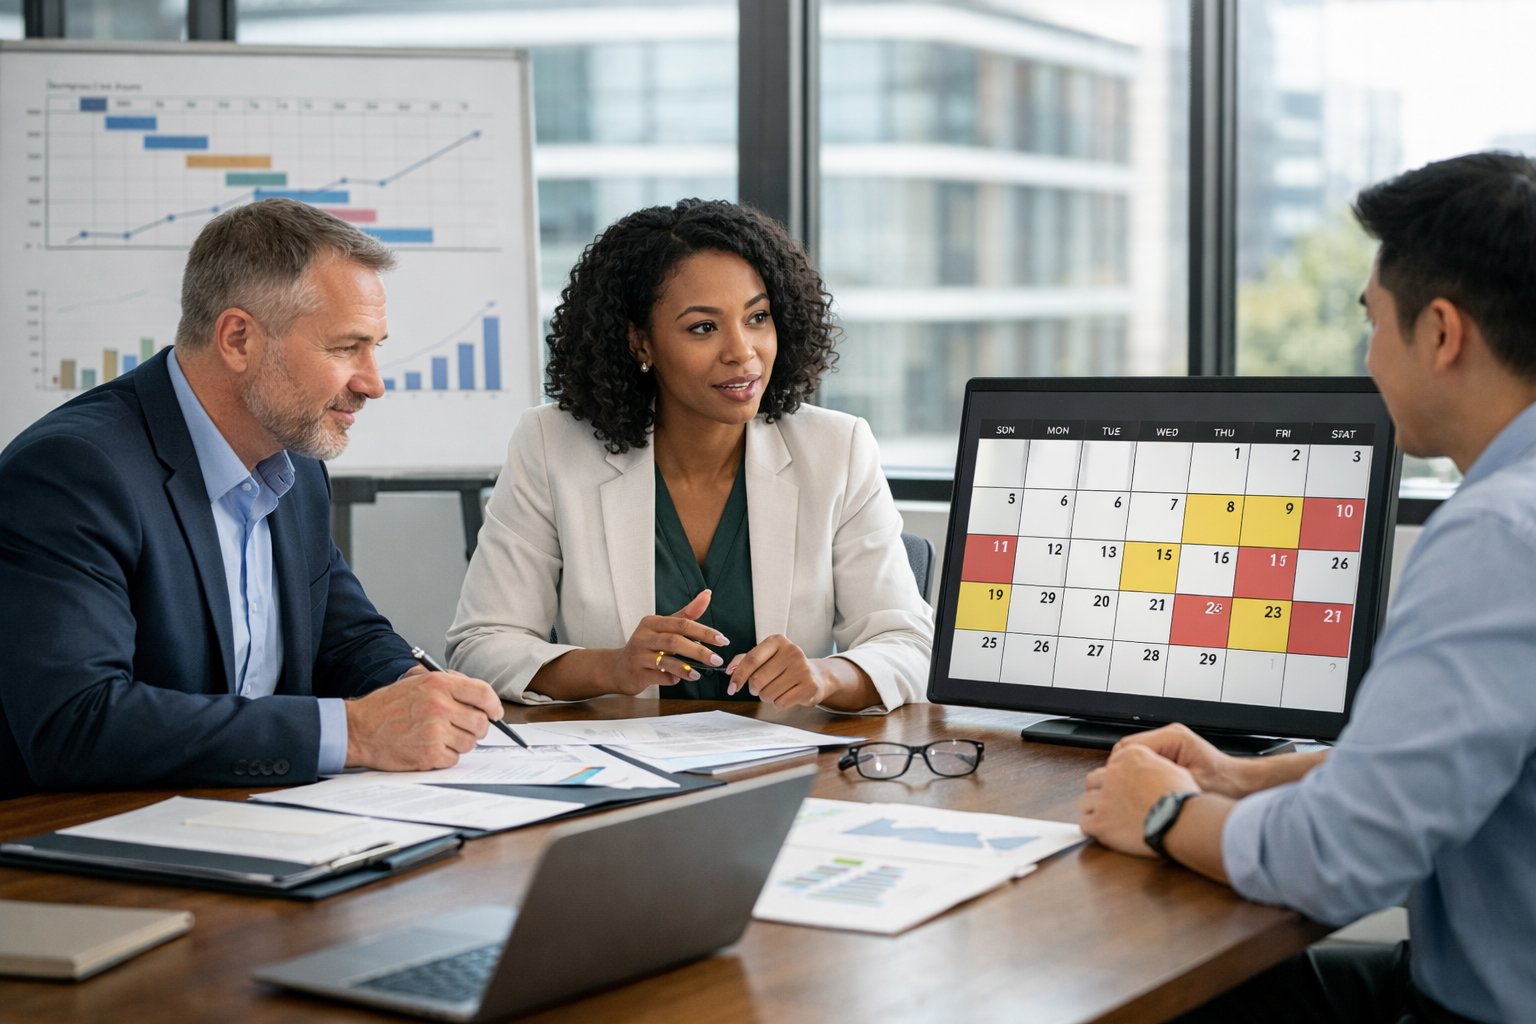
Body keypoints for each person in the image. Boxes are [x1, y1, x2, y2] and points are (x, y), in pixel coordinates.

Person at [1080, 151, 1536, 1024]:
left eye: (1374, 322)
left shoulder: (1498, 536)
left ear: (1442, 333)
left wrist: (1165, 813)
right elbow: (1447, 759)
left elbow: (1339, 859)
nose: (1369, 356)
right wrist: (1241, 779)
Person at [0, 198, 506, 799]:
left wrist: (415, 689)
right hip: (96, 833)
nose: (373, 383)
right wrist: (355, 732)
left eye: (376, 347)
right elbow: (77, 724)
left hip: (255, 816)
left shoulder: (294, 461)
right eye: (346, 348)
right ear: (238, 339)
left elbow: (346, 639)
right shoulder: (73, 472)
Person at [447, 199, 933, 713]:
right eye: (703, 327)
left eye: (758, 317)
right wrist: (611, 667)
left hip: (788, 752)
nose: (742, 351)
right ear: (640, 342)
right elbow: (481, 646)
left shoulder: (837, 448)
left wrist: (824, 676)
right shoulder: (552, 445)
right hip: (626, 755)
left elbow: (911, 645)